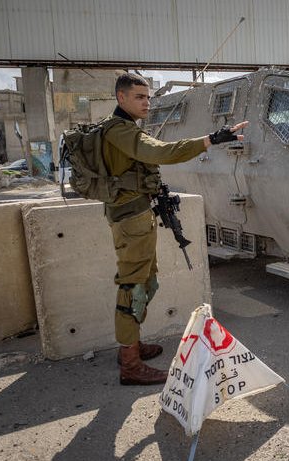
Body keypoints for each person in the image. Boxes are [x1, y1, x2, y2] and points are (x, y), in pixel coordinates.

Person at [104, 72, 248, 385]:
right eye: (139, 97)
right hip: (130, 220)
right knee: (132, 288)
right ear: (121, 98)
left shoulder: (126, 129)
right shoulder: (120, 131)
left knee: (146, 283)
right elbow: (163, 152)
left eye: (148, 96)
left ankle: (132, 344)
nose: (147, 102)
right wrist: (212, 139)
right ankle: (129, 364)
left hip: (137, 215)